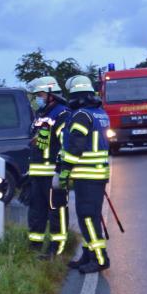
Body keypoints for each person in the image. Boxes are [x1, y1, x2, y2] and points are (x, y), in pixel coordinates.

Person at [58, 75, 112, 274]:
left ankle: (99, 258)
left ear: (76, 96)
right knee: (87, 217)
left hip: (88, 175)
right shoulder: (98, 113)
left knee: (88, 217)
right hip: (94, 174)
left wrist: (65, 170)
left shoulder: (81, 115)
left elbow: (76, 145)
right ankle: (88, 255)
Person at [26, 76, 70, 259]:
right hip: (37, 172)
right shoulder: (41, 115)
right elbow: (37, 141)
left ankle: (56, 249)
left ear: (51, 94)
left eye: (40, 94)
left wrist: (60, 172)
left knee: (56, 211)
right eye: (36, 95)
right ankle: (34, 245)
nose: (37, 98)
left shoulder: (62, 114)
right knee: (36, 210)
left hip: (52, 172)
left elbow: (65, 145)